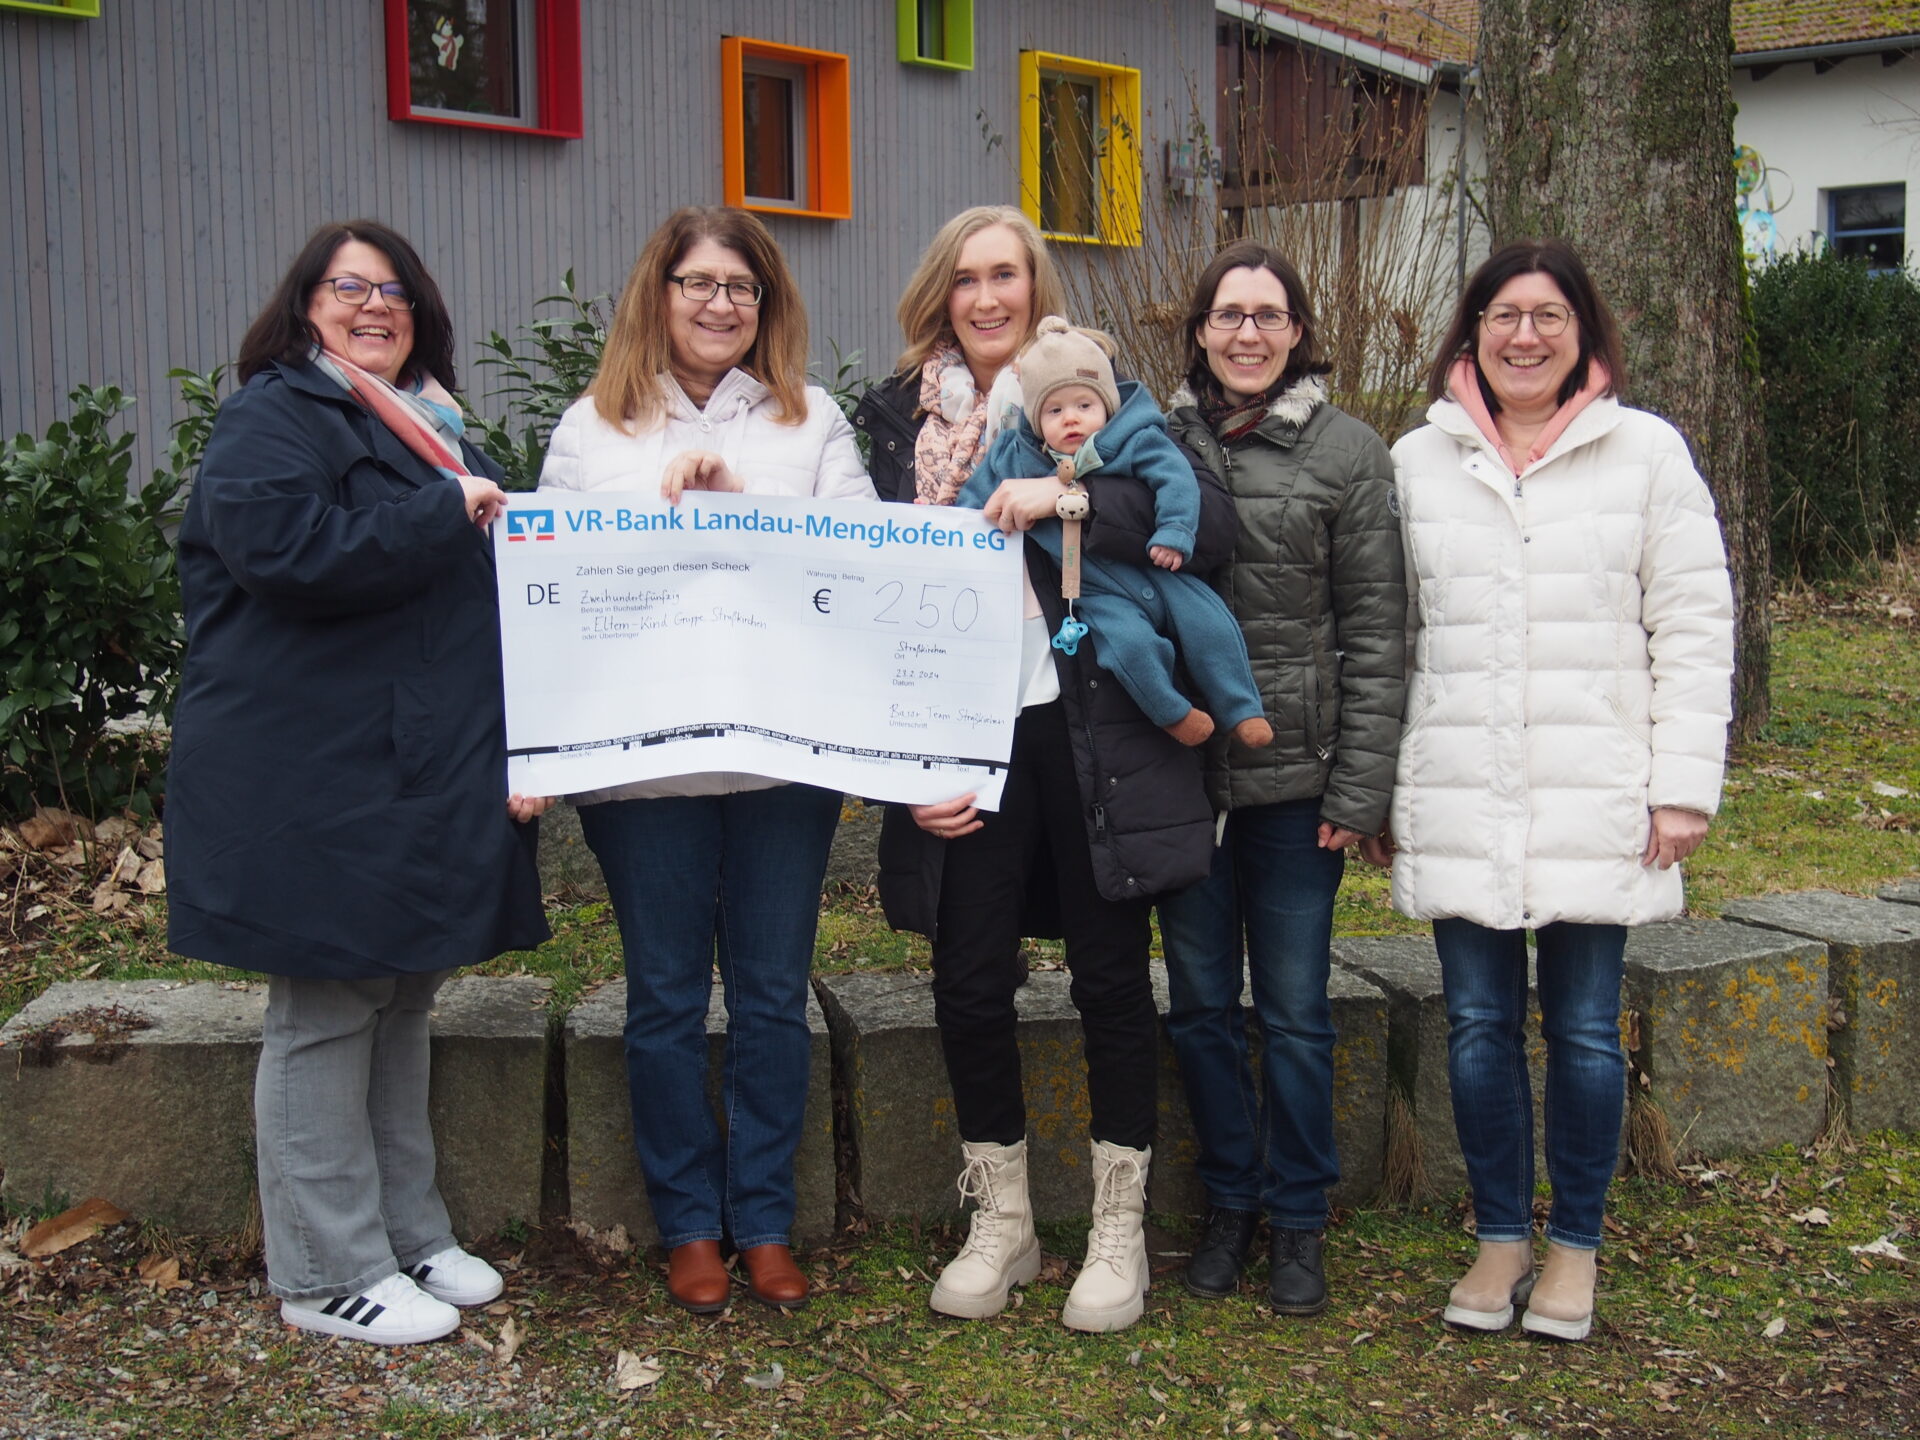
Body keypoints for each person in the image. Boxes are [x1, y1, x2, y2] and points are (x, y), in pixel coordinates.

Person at [166, 219, 551, 1346]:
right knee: (328, 1007)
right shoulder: (274, 414)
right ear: (305, 307)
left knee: (399, 995)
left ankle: (405, 1233)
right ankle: (324, 1270)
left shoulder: (428, 427)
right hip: (307, 771)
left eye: (394, 292)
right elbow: (285, 551)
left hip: (402, 761)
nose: (374, 306)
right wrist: (446, 511)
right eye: (349, 288)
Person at [854, 206, 1232, 1333]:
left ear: (1036, 285)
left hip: (1086, 728)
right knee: (969, 978)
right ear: (941, 293)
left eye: (1006, 275)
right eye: (966, 278)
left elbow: (1198, 525)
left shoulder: (1089, 382)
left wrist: (1064, 495)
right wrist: (899, 765)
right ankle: (1004, 1220)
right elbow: (853, 601)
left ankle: (1119, 1229)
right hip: (956, 733)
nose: (987, 297)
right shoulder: (891, 418)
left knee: (1111, 975)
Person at [1379, 238, 1734, 1341]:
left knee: (1583, 1030)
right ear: (1470, 333)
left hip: (1598, 789)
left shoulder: (1646, 455)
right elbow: (1388, 638)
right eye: (1502, 316)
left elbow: (1693, 623)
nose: (1523, 336)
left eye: (1547, 316)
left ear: (1583, 333)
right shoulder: (1415, 462)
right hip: (1458, 786)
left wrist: (1683, 787)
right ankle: (1498, 1239)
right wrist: (1382, 790)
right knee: (1478, 1025)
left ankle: (1574, 1246)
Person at [539, 206, 873, 1314]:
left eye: (743, 286)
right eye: (699, 282)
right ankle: (689, 1224)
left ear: (767, 304)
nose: (721, 303)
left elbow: (861, 564)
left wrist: (750, 508)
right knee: (666, 999)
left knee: (774, 995)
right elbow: (554, 588)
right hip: (644, 775)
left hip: (784, 763)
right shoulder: (591, 429)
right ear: (660, 291)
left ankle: (765, 1219)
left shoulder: (809, 419)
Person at [1155, 239, 1407, 1316]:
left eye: (1268, 315)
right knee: (1203, 1006)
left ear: (1298, 330)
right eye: (1228, 315)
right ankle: (1230, 1203)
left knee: (1297, 1011)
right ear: (1201, 330)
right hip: (1181, 780)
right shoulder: (1155, 441)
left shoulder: (1350, 454)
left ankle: (1300, 1218)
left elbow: (1381, 632)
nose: (1247, 333)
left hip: (1299, 784)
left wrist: (1360, 793)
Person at [959, 315, 1273, 751]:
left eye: (1084, 406)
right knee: (1127, 647)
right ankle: (1173, 714)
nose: (1071, 419)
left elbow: (1176, 480)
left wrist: (1175, 532)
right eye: (1054, 410)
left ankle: (1243, 711)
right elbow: (972, 505)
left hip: (1160, 569)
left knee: (1211, 626)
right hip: (1094, 590)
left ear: (1106, 405)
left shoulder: (1136, 439)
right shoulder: (1014, 459)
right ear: (1034, 417)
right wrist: (955, 523)